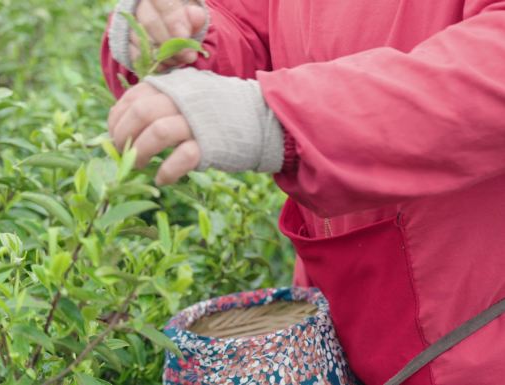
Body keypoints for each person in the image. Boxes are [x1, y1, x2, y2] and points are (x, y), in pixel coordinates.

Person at [100, 1, 505, 384]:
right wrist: (176, 34)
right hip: (345, 310)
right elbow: (247, 19)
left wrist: (287, 115)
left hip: (477, 323)